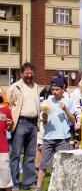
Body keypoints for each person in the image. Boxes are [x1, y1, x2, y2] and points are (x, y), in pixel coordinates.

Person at [35, 78, 76, 191]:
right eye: (53, 89)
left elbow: (72, 119)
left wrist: (65, 109)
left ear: (63, 89)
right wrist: (44, 117)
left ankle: (58, 187)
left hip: (63, 138)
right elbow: (45, 120)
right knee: (43, 165)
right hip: (49, 137)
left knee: (60, 165)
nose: (54, 92)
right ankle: (38, 188)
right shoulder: (48, 100)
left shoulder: (68, 101)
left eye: (57, 89)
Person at [7, 62, 40, 190]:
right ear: (21, 74)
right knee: (15, 155)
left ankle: (28, 182)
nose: (29, 75)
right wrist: (9, 121)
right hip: (20, 123)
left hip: (33, 124)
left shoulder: (36, 87)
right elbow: (8, 105)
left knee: (30, 155)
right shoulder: (14, 87)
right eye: (27, 73)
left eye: (31, 73)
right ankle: (14, 183)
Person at [0, 89, 14, 191]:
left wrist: (10, 125)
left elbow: (9, 127)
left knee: (6, 177)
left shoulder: (6, 109)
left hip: (2, 147)